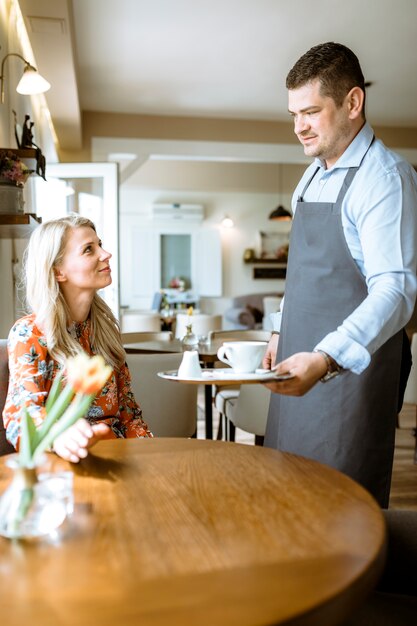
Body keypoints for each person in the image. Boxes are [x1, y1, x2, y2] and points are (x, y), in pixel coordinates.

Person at [263, 42, 417, 508]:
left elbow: (397, 288)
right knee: (286, 494)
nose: (299, 127)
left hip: (347, 375)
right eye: (293, 115)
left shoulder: (384, 178)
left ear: (353, 102)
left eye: (310, 112)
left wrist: (327, 358)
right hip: (296, 365)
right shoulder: (311, 176)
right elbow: (300, 272)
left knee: (341, 510)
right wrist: (278, 330)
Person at [2, 214, 152, 463]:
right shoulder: (29, 333)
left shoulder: (105, 330)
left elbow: (129, 412)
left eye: (100, 245)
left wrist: (151, 455)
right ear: (58, 271)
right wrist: (58, 436)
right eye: (88, 249)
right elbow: (21, 413)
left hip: (119, 460)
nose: (105, 254)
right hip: (63, 464)